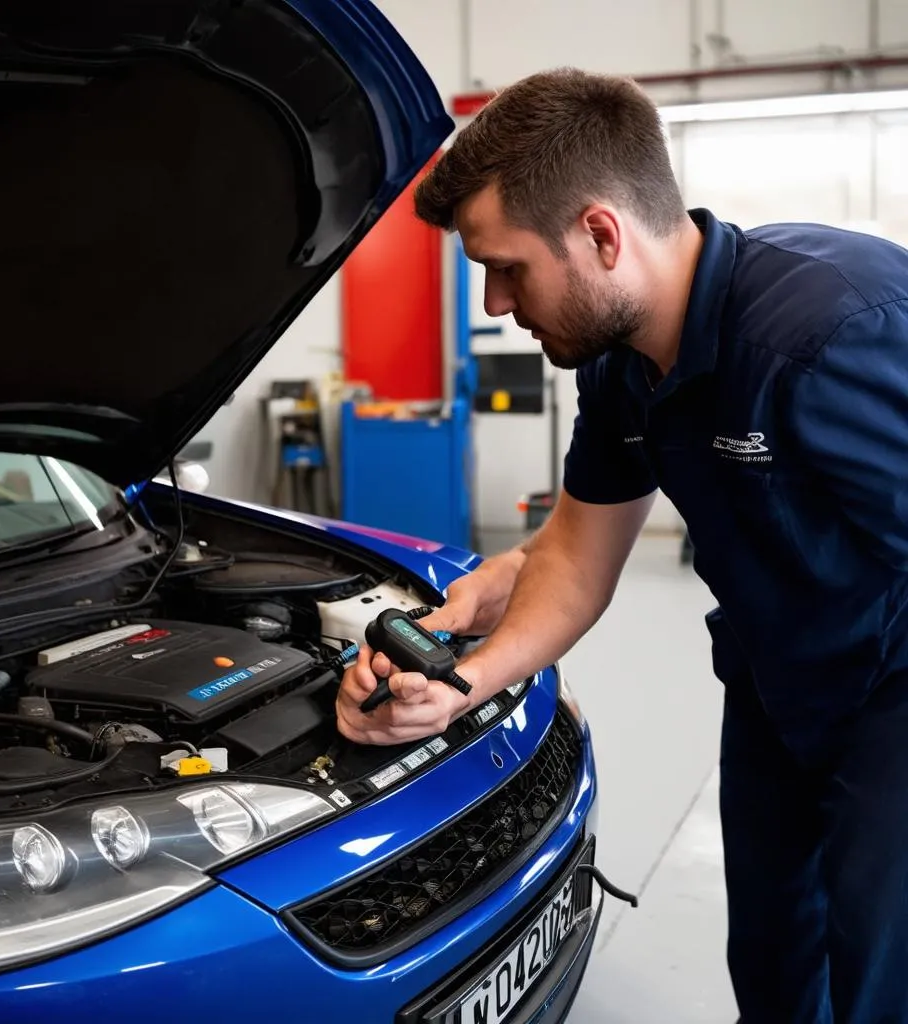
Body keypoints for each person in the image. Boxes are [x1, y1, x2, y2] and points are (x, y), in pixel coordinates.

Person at [334, 66, 908, 1024]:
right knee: (770, 954)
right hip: (777, 686)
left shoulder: (830, 335)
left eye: (507, 267)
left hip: (893, 692)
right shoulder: (618, 368)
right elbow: (576, 556)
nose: (493, 304)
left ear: (600, 233)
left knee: (881, 969)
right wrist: (459, 683)